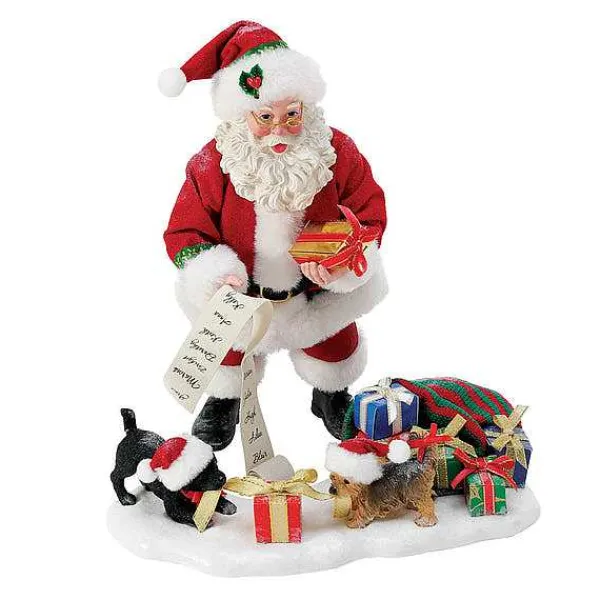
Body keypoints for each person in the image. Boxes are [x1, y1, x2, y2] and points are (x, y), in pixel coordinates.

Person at [161, 21, 388, 450]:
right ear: (243, 113)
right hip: (245, 298)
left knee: (336, 348)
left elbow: (369, 210)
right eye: (265, 117)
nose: (279, 129)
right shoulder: (213, 163)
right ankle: (225, 399)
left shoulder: (336, 151)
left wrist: (343, 262)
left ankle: (330, 392)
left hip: (313, 296)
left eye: (291, 114)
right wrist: (215, 273)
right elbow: (185, 229)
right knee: (224, 348)